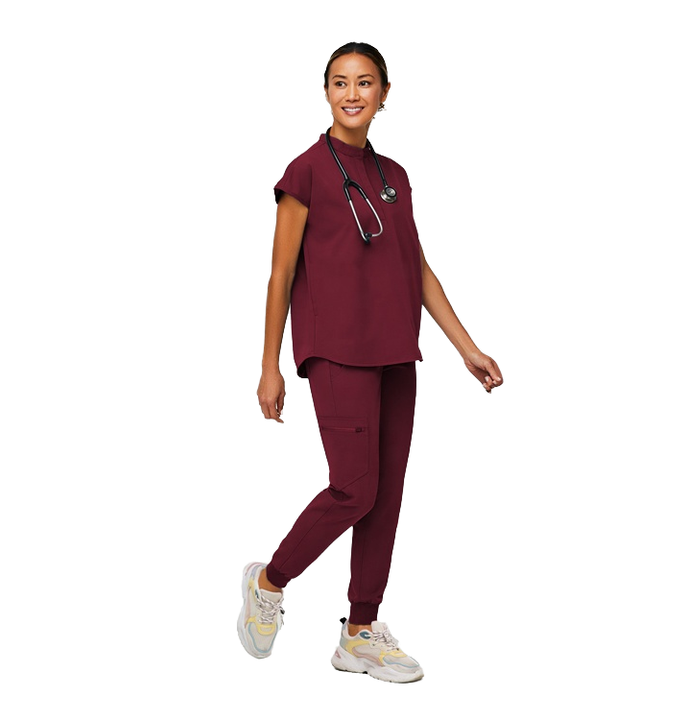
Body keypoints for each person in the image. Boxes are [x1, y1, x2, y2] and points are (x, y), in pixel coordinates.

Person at [238, 42, 503, 683]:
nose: (351, 94)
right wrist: (270, 365)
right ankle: (270, 581)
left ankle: (360, 632)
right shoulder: (306, 171)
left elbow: (416, 267)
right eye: (339, 82)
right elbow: (279, 274)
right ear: (326, 93)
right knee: (354, 488)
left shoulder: (395, 176)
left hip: (395, 351)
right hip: (336, 350)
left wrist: (466, 347)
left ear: (385, 93)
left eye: (364, 83)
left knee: (384, 497)